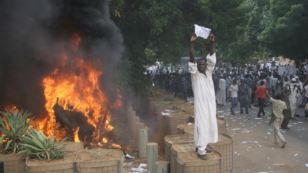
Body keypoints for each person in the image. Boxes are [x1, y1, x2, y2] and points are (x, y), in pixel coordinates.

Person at [189, 32, 218, 160]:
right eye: (199, 64)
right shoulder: (195, 75)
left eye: (203, 64)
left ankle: (200, 144)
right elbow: (192, 59)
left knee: (209, 123)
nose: (201, 65)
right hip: (201, 104)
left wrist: (212, 42)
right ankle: (201, 150)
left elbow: (212, 57)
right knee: (202, 123)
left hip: (210, 103)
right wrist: (192, 43)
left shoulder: (209, 72)